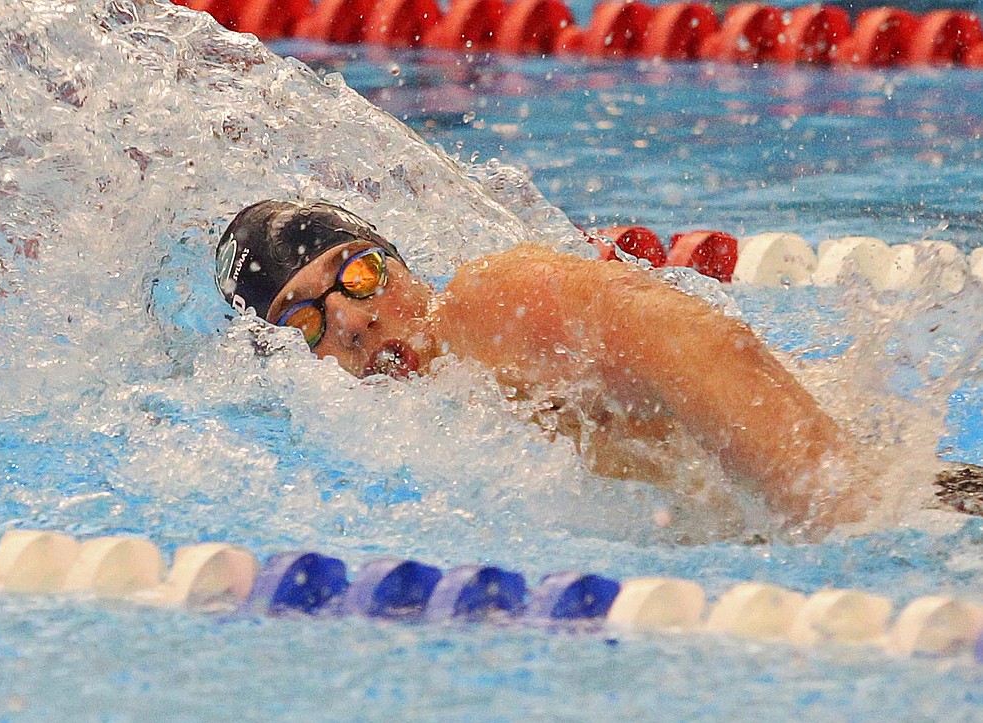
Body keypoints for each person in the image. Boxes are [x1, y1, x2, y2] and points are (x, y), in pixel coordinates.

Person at [216, 199, 879, 533]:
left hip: (890, 497)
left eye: (360, 273)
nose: (353, 321)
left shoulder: (488, 306)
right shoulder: (399, 443)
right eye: (304, 320)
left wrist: (847, 515)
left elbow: (699, 341)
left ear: (403, 262)